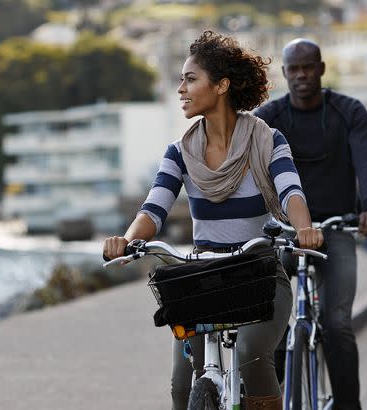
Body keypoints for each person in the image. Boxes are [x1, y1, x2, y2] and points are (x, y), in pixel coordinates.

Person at [103, 31, 323, 410]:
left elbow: (291, 193)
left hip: (260, 273)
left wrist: (304, 228)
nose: (181, 90)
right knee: (179, 384)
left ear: (221, 85)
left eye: (191, 79)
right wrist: (126, 239)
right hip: (203, 277)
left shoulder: (267, 140)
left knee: (254, 355)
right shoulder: (180, 153)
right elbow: (154, 208)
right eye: (181, 80)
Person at [254, 38, 367, 410]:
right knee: (272, 328)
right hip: (285, 234)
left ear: (322, 69)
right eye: (293, 69)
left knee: (337, 323)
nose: (301, 75)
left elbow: (366, 163)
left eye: (308, 67)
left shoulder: (349, 112)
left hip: (336, 229)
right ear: (283, 73)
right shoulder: (268, 119)